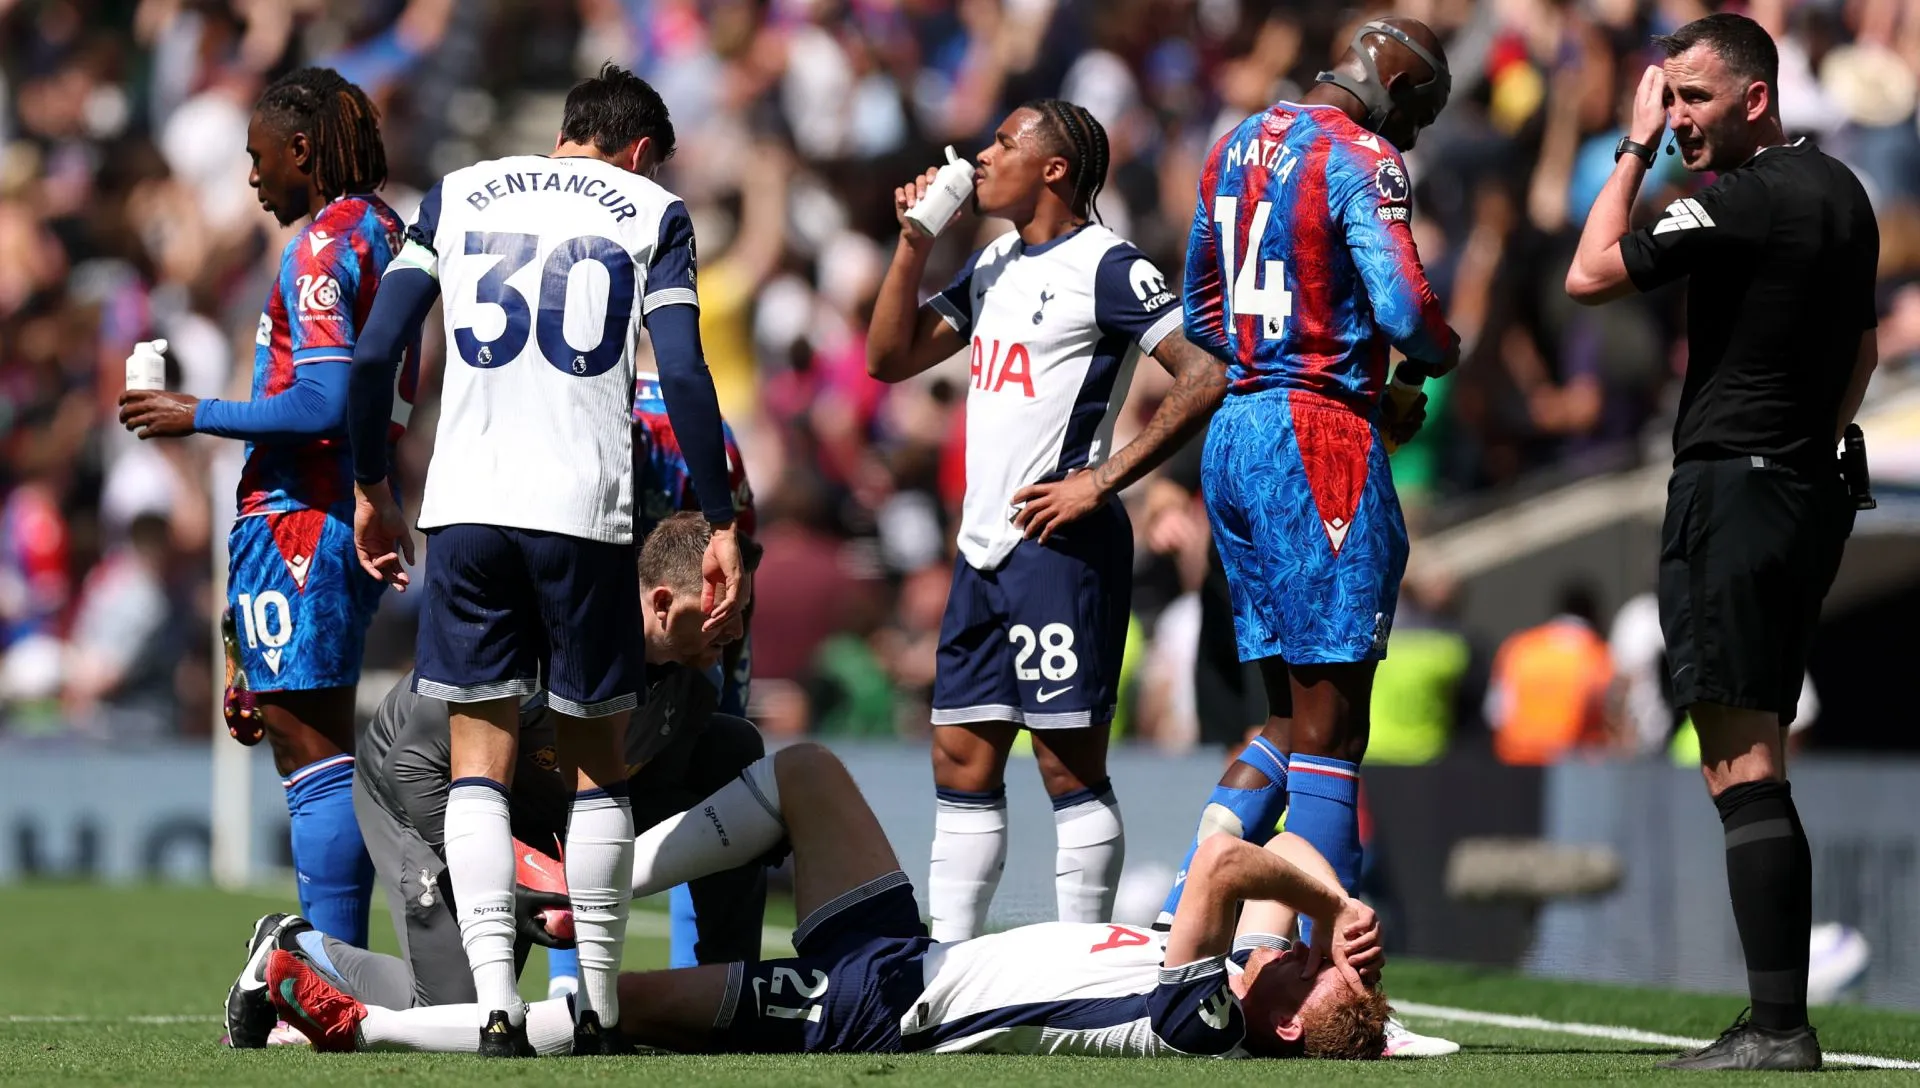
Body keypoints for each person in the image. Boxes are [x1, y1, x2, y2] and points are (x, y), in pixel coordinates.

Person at [343, 63, 748, 1056]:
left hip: (467, 506)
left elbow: (372, 353)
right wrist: (722, 512)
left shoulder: (457, 193)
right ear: (643, 149)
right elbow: (684, 368)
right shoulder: (652, 212)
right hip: (581, 508)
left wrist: (370, 486)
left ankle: (492, 1007)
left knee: (479, 764)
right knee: (598, 769)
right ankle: (599, 1002)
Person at [263, 742, 1393, 1060]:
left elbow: (1228, 867)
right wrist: (1277, 749)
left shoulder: (1202, 1015)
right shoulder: (1245, 982)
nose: (1292, 951)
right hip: (907, 956)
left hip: (877, 1006)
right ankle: (585, 889)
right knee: (806, 772)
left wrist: (1335, 896)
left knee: (616, 1009)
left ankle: (366, 1015)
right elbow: (1243, 817)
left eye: (1305, 966)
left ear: (1287, 1016)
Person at [1565, 13, 1879, 1070]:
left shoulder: (1742, 197)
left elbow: (1592, 270)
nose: (1679, 118)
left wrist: (1631, 147)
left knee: (1741, 763)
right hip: (1800, 488)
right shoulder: (1844, 192)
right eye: (1671, 98)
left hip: (1733, 490)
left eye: (1695, 98)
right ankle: (1776, 1014)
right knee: (1759, 754)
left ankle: (1780, 1024)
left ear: (1755, 96)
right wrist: (1809, 451)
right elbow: (1866, 348)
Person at [1164, 17, 1461, 1058]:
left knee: (1287, 715)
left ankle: (1187, 895)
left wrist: (1277, 350)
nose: (1415, 131)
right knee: (1334, 731)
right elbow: (1406, 306)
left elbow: (1203, 299)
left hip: (1237, 431)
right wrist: (1426, 354)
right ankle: (1335, 983)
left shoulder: (1236, 139)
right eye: (1419, 107)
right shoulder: (1362, 158)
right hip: (1315, 440)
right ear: (1395, 80)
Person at [867, 100, 1229, 940]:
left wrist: (1101, 479)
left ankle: (1082, 968)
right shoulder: (995, 261)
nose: (983, 156)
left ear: (1054, 168)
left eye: (1004, 142)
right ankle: (948, 971)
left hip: (1059, 552)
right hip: (982, 550)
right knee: (960, 757)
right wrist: (915, 241)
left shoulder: (1108, 266)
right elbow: (888, 358)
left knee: (1067, 768)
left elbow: (1204, 374)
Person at [223, 513, 766, 1046]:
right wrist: (520, 873)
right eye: (723, 610)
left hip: (536, 801)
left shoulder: (697, 683)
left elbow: (651, 795)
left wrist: (757, 823)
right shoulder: (542, 648)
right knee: (455, 1013)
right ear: (664, 604)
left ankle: (726, 996)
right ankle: (294, 948)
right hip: (418, 787)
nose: (738, 629)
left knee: (735, 757)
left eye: (742, 609)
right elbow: (411, 767)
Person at [117, 68, 409, 950]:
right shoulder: (384, 230)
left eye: (258, 158)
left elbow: (321, 402)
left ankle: (328, 978)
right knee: (313, 748)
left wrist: (190, 413)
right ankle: (338, 973)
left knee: (311, 761)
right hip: (333, 513)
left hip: (298, 515)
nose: (252, 177)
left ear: (302, 151)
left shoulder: (323, 245)